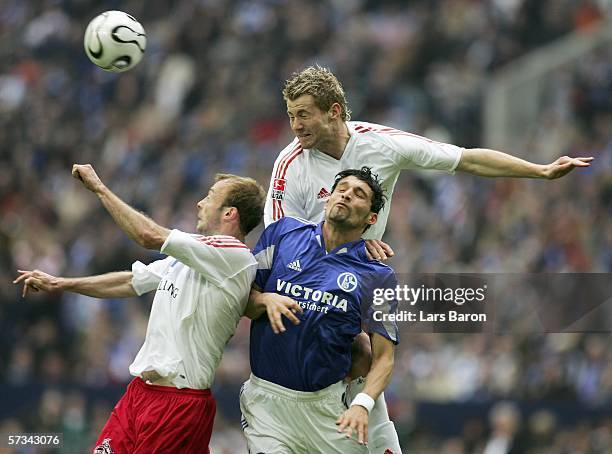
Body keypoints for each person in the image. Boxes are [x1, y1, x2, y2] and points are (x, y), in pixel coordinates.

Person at [263, 65, 595, 453]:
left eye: (303, 114)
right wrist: (349, 244)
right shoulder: (290, 163)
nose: (295, 126)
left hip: (361, 281)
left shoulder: (382, 144)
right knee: (358, 356)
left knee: (371, 357)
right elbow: (281, 241)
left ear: (334, 111)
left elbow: (466, 159)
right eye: (290, 116)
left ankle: (367, 421)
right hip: (307, 282)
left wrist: (539, 171)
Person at [14, 164, 266, 454]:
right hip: (141, 394)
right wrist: (61, 283)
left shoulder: (235, 258)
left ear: (229, 213)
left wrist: (100, 188)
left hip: (178, 404)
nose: (200, 202)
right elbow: (131, 281)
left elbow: (148, 235)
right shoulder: (197, 252)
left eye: (209, 197)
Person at [241, 166, 399, 453]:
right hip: (267, 405)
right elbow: (244, 302)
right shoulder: (282, 234)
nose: (347, 195)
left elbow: (385, 357)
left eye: (358, 194)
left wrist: (362, 405)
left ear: (371, 218)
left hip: (327, 410)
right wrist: (265, 300)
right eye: (342, 189)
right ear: (328, 199)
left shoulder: (378, 275)